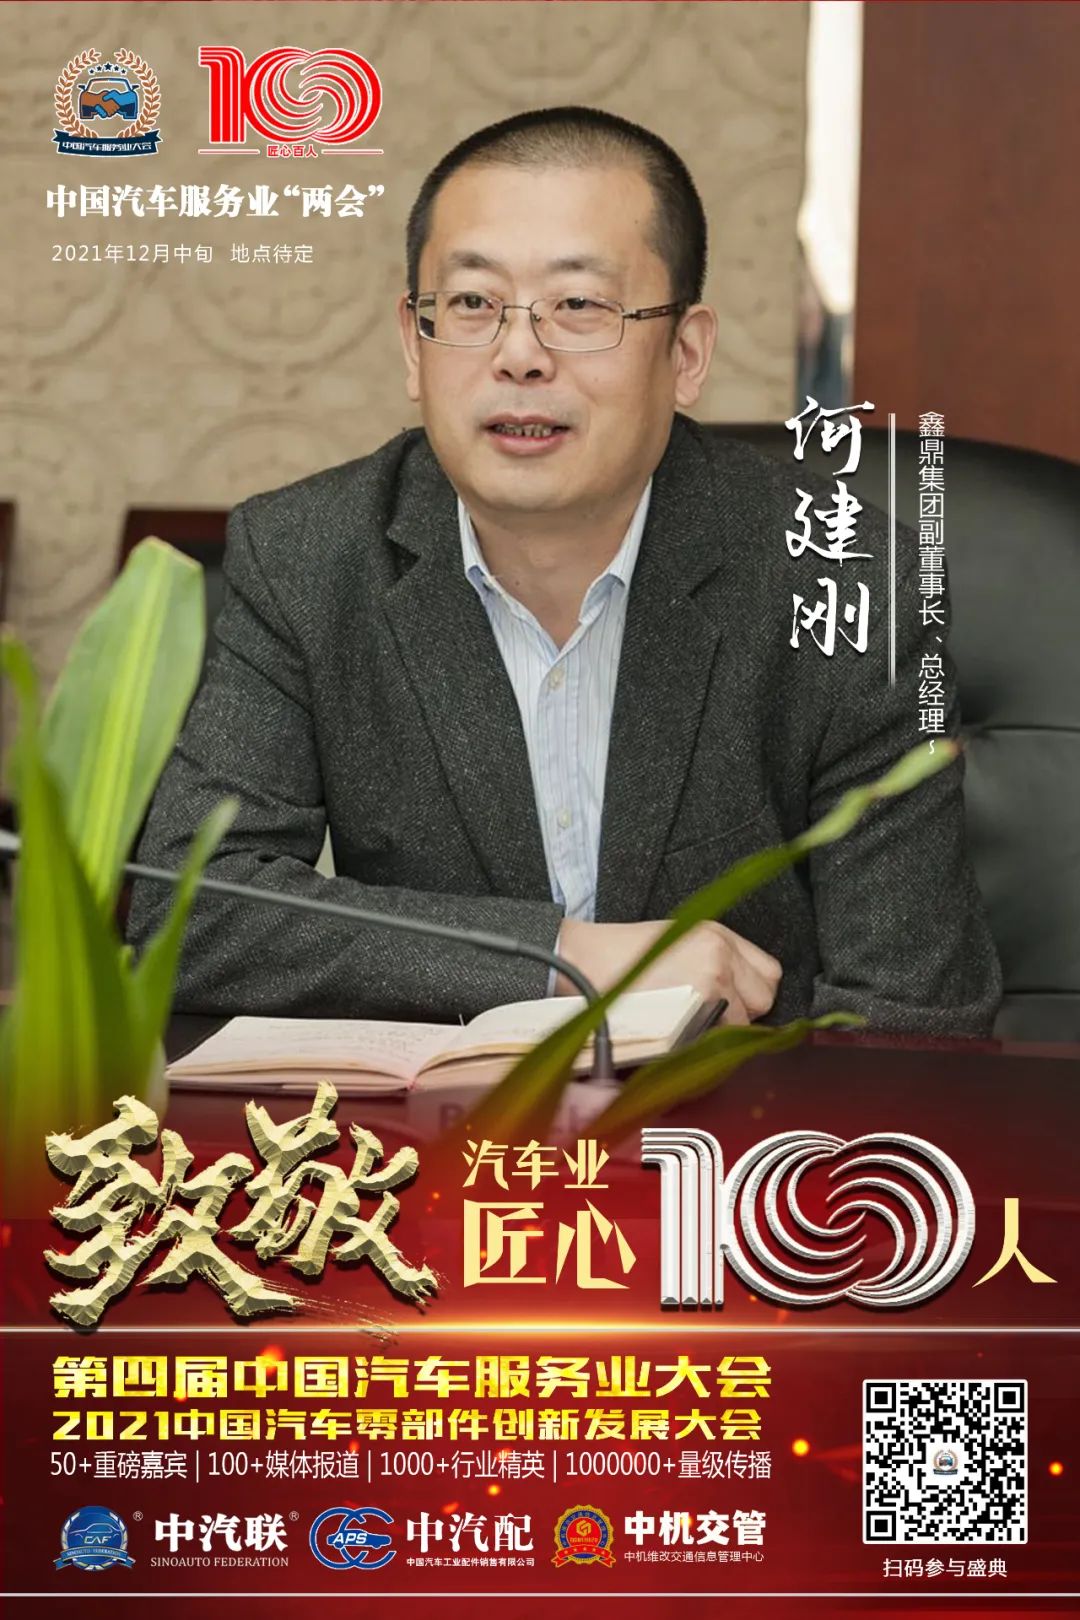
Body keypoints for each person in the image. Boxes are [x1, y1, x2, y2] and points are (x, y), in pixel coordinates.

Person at [127, 106, 1001, 1036]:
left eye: (580, 306)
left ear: (687, 354)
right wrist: (561, 959)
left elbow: (915, 1016)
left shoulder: (844, 579)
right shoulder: (307, 557)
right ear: (414, 346)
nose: (519, 356)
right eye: (472, 304)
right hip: (452, 1122)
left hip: (743, 1120)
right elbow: (189, 916)